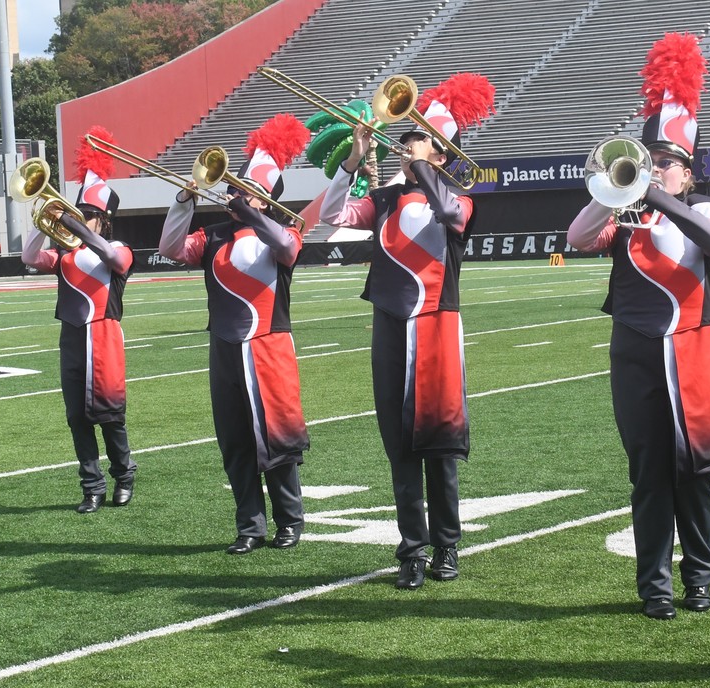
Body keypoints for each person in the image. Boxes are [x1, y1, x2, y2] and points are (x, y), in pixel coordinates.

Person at [567, 34, 710, 621]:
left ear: (686, 171)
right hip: (636, 352)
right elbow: (576, 238)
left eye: (665, 162)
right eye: (649, 161)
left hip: (695, 351)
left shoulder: (706, 209)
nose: (654, 169)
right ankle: (654, 586)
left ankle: (699, 577)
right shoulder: (624, 216)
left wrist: (659, 199)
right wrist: (613, 191)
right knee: (648, 473)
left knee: (696, 473)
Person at [319, 73, 495, 590]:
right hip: (391, 326)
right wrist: (353, 159)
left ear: (441, 153)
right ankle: (411, 550)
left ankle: (446, 544)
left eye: (421, 139)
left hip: (437, 329)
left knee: (438, 447)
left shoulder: (460, 197)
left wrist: (421, 164)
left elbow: (448, 214)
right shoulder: (385, 200)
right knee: (399, 447)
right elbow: (332, 213)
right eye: (410, 138)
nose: (409, 145)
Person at [159, 114, 311, 555]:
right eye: (235, 188)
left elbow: (285, 247)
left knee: (276, 438)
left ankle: (289, 520)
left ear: (265, 198)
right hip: (225, 346)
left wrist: (250, 212)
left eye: (246, 190)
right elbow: (170, 248)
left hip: (268, 346)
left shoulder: (284, 232)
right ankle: (250, 526)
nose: (236, 194)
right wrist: (184, 200)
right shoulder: (212, 236)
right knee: (235, 440)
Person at [21, 127, 137, 514]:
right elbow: (29, 258)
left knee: (110, 416)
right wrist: (43, 216)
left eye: (90, 216)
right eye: (79, 214)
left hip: (104, 337)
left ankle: (124, 475)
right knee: (77, 417)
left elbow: (114, 259)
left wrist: (77, 228)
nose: (82, 219)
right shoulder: (65, 255)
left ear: (104, 221)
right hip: (71, 336)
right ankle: (92, 486)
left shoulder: (118, 248)